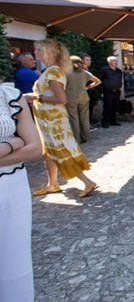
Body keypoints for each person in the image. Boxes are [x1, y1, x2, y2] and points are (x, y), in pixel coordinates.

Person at [0, 79, 46, 302]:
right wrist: (11, 143)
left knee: (16, 273)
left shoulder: (8, 94)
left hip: (12, 189)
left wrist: (16, 144)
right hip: (11, 172)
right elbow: (23, 144)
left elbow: (34, 148)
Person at [24, 39, 98, 198]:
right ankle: (52, 184)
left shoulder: (53, 72)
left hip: (54, 121)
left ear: (49, 52)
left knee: (62, 151)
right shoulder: (51, 71)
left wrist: (35, 97)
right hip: (48, 120)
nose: (34, 53)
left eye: (38, 50)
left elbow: (61, 99)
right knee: (50, 152)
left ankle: (87, 182)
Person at [65, 56, 101, 143]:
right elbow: (98, 81)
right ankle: (86, 137)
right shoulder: (84, 72)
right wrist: (88, 87)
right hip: (84, 97)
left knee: (73, 118)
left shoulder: (66, 73)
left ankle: (76, 139)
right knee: (84, 118)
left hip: (71, 98)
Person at [99, 56, 123, 128]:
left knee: (114, 107)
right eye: (114, 61)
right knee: (107, 107)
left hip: (117, 92)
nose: (116, 62)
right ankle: (105, 121)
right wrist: (106, 86)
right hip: (108, 92)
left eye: (116, 61)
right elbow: (100, 79)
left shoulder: (119, 71)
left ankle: (113, 121)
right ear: (109, 62)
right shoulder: (105, 70)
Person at [80, 53, 99, 124]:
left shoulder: (88, 69)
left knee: (90, 108)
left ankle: (89, 123)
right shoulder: (81, 70)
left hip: (91, 92)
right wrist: (87, 87)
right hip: (85, 93)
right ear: (82, 61)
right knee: (85, 109)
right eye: (87, 60)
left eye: (89, 60)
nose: (89, 61)